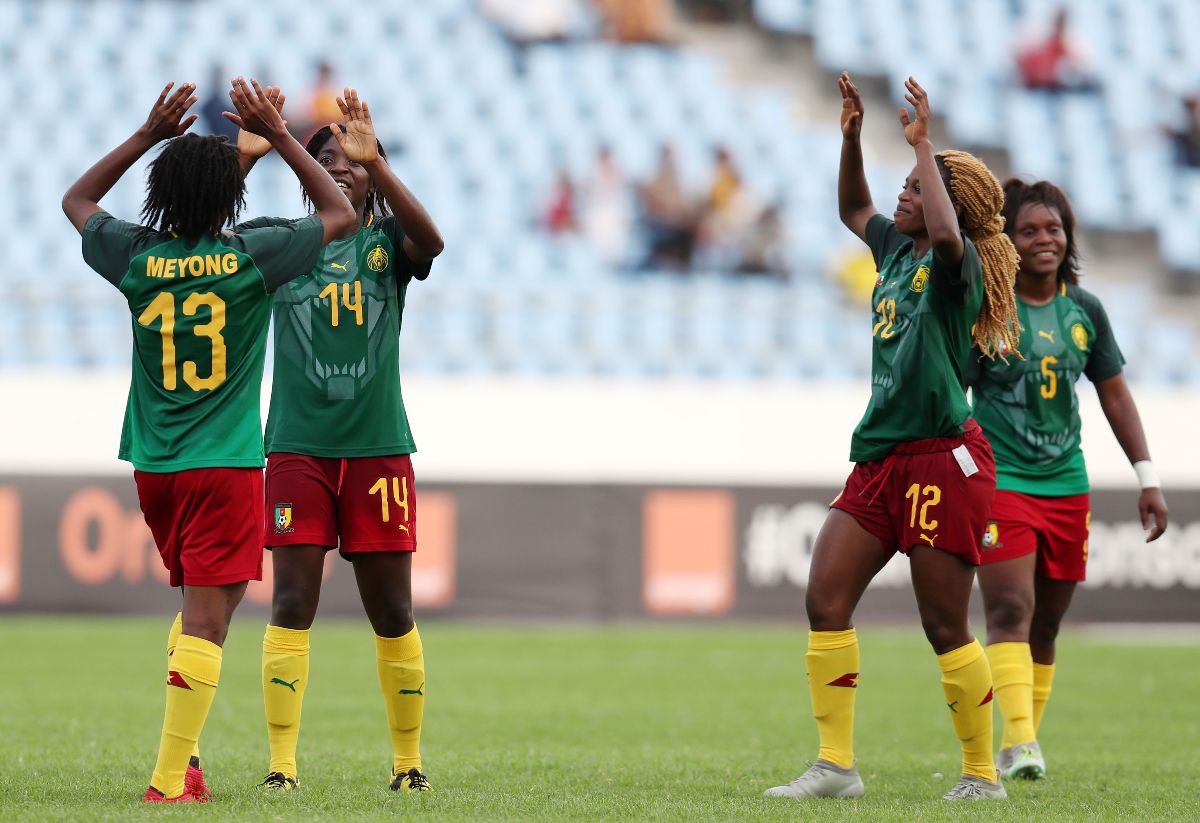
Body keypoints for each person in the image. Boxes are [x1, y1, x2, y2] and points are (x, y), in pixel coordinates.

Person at [61, 78, 356, 803]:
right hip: (224, 464)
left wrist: (146, 136)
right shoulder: (253, 254)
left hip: (155, 466)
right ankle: (168, 782)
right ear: (230, 203)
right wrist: (281, 136)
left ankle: (185, 765)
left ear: (160, 195)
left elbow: (77, 200)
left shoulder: (137, 256)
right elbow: (340, 212)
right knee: (207, 621)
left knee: (203, 614)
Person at [764, 74, 1021, 802]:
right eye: (905, 185)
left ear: (949, 207)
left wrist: (925, 146)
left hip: (944, 459)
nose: (902, 195)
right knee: (825, 596)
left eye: (915, 187)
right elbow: (854, 207)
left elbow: (945, 232)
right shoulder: (895, 251)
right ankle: (835, 767)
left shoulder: (956, 266)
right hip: (881, 456)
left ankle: (981, 774)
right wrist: (850, 138)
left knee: (944, 623)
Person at [237, 87, 444, 793]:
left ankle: (409, 764)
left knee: (394, 612)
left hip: (378, 450)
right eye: (325, 159)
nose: (339, 166)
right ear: (306, 176)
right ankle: (282, 767)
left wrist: (378, 163)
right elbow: (201, 236)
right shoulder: (284, 245)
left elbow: (433, 243)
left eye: (351, 159)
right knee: (292, 604)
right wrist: (244, 160)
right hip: (297, 448)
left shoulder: (387, 246)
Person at [970, 179, 1169, 781]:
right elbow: (951, 387)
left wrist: (1147, 478)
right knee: (1010, 607)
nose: (1043, 239)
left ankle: (1019, 742)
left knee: (1048, 623)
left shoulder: (1085, 311)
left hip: (1066, 486)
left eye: (1052, 229)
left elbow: (1115, 394)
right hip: (1002, 482)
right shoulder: (987, 309)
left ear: (1068, 236)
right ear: (1007, 242)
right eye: (1027, 230)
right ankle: (1021, 742)